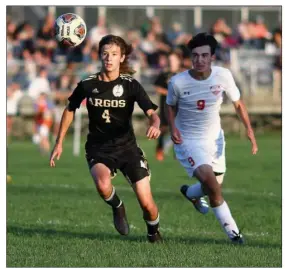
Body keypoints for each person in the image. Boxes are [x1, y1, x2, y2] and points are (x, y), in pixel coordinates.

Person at [49, 34, 162, 243]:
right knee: (102, 184)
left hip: (128, 149)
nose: (109, 58)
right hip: (98, 148)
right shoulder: (87, 84)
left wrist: (155, 124)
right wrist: (59, 143)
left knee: (147, 204)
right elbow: (70, 109)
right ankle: (118, 207)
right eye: (105, 54)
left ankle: (153, 231)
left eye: (114, 54)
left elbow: (151, 113)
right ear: (99, 56)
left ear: (122, 57)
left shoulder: (131, 85)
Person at [166, 33, 258, 243]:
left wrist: (250, 131)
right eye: (195, 56)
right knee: (212, 185)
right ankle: (234, 234)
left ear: (212, 57)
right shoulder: (178, 82)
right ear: (190, 57)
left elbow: (238, 103)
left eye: (204, 55)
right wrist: (173, 128)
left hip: (215, 140)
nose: (200, 60)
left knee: (214, 184)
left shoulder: (223, 76)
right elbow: (170, 106)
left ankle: (191, 193)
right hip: (188, 141)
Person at [153, 51, 183, 161]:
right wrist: (168, 92)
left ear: (178, 61)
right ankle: (159, 149)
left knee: (178, 129)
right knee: (164, 129)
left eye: (173, 60)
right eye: (170, 60)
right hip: (166, 105)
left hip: (179, 106)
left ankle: (178, 152)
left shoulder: (182, 74)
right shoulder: (164, 74)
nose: (171, 62)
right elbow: (156, 87)